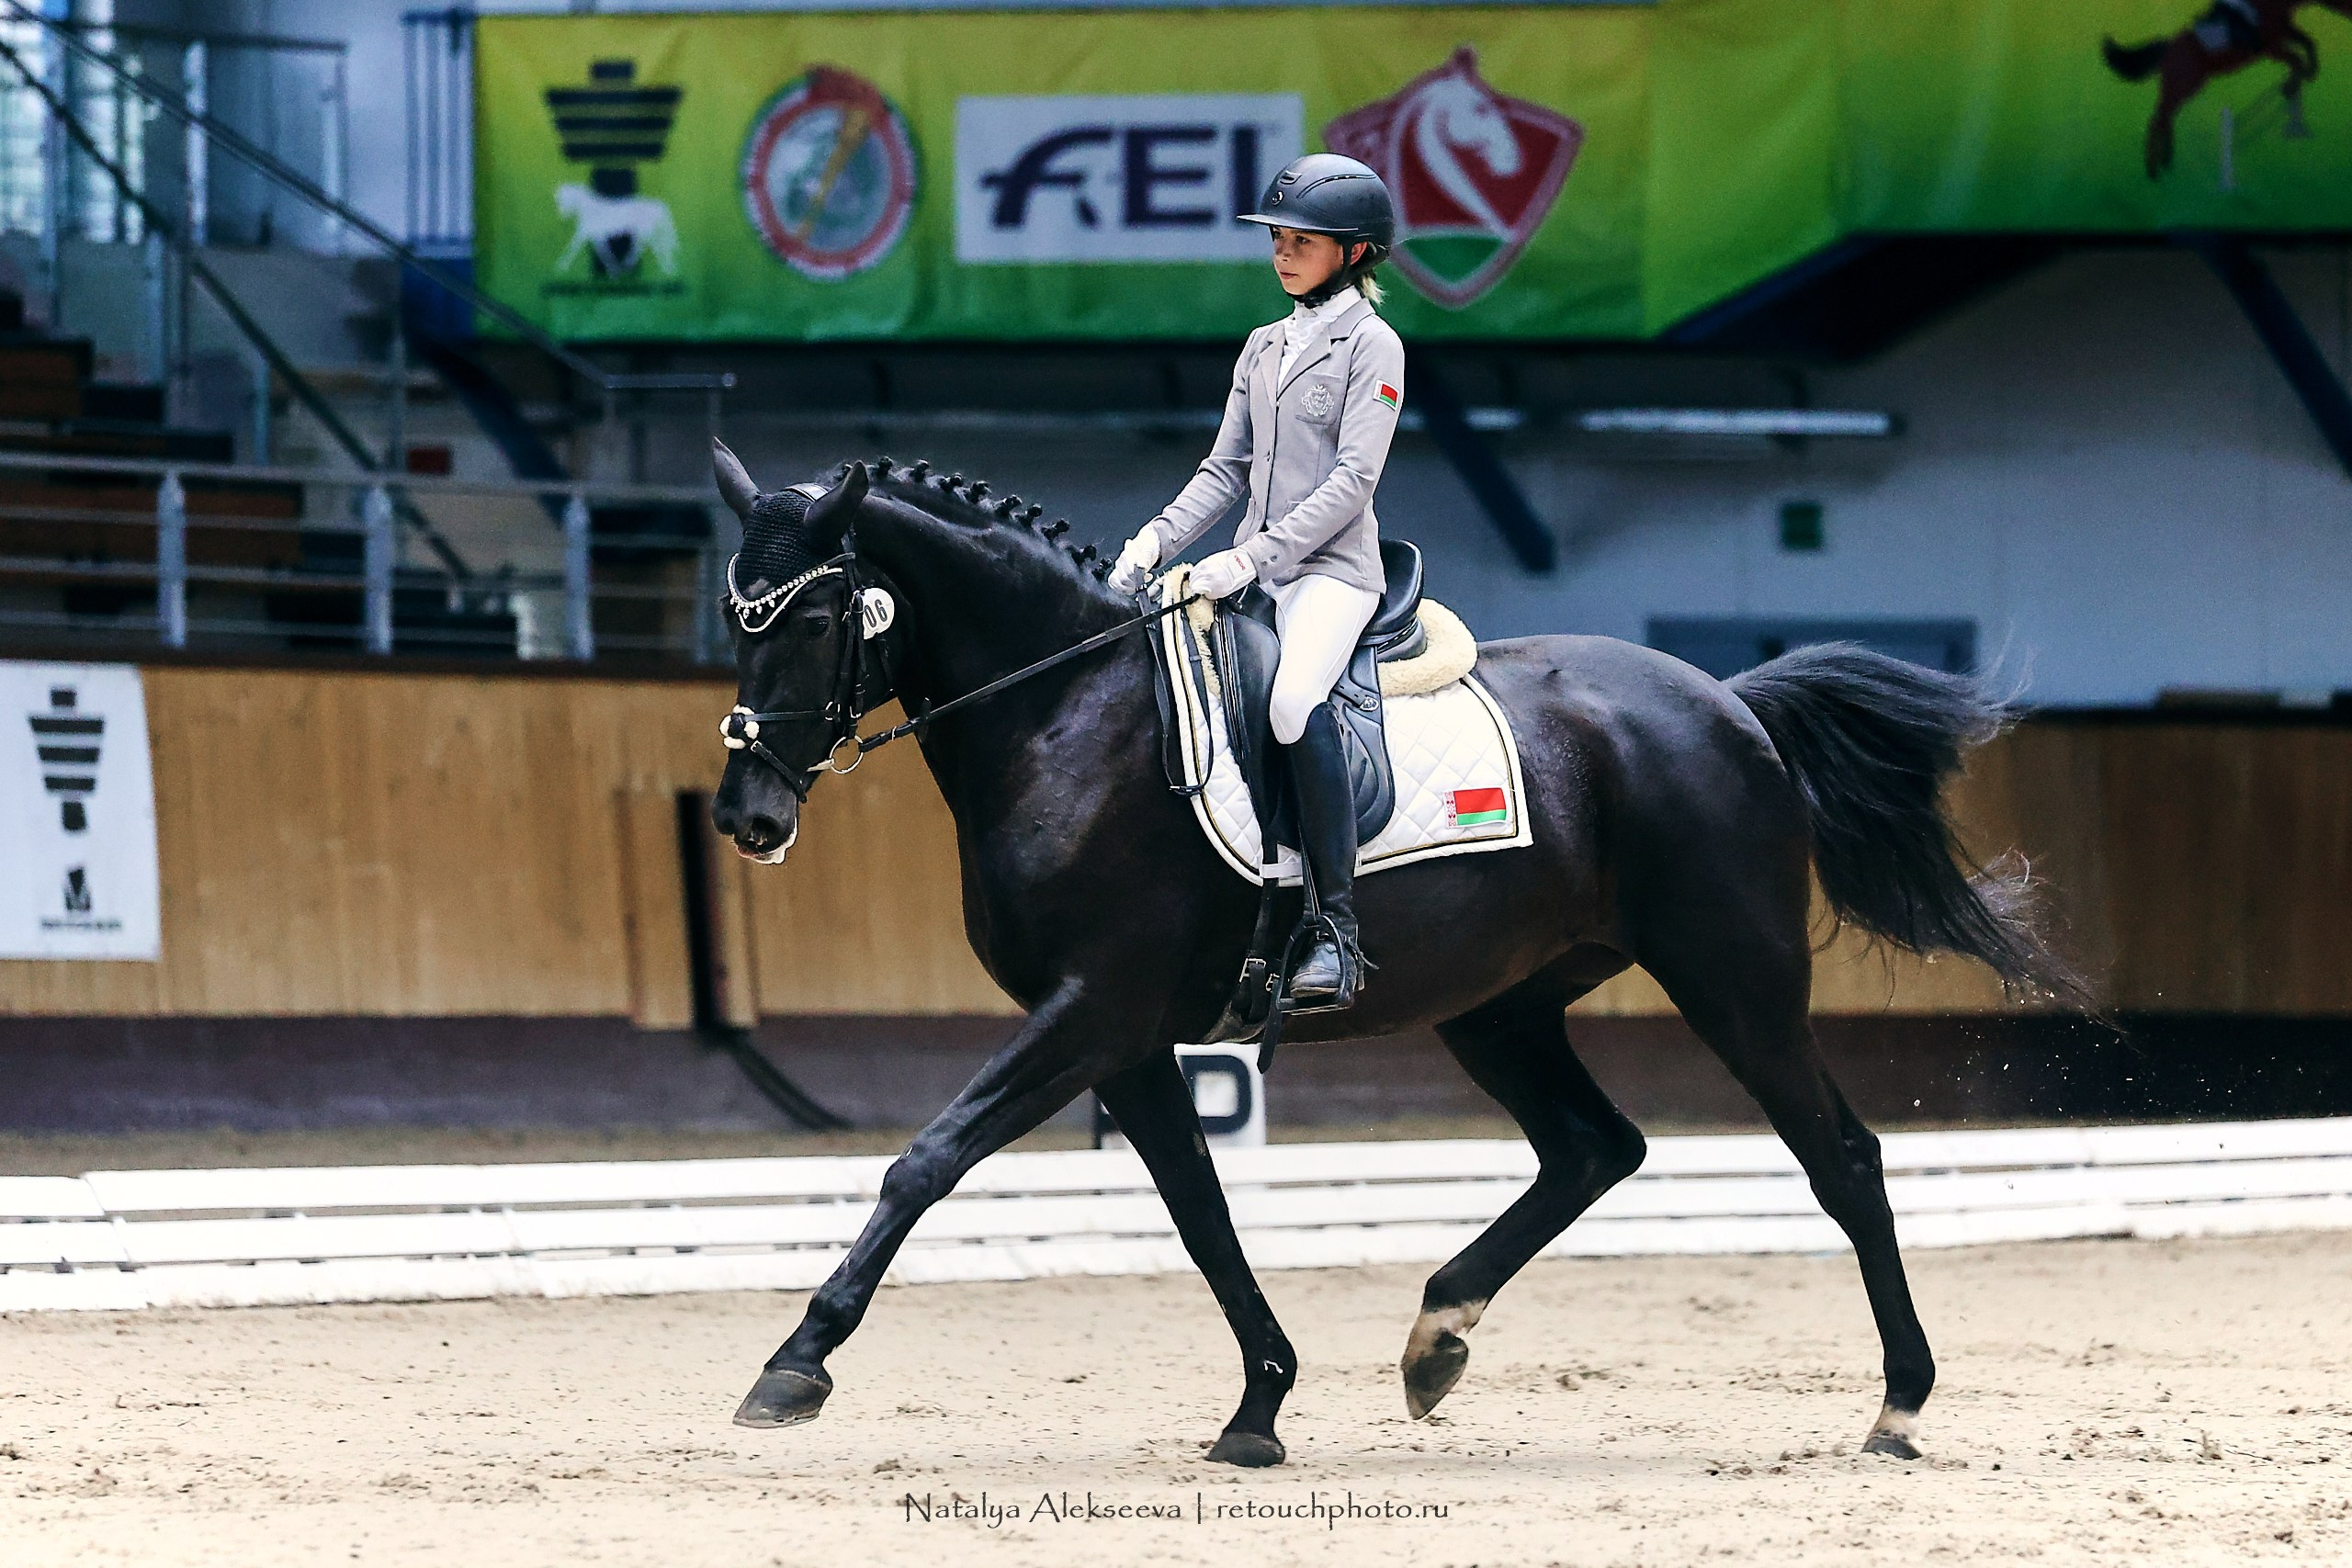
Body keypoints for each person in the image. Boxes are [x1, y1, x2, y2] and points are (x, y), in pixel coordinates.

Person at [1108, 152, 1404, 1014]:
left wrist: (1249, 558)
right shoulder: (1264, 345)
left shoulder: (1373, 346)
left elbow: (1353, 481)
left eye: (1301, 240)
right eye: (1277, 237)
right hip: (1256, 571)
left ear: (1352, 252)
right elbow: (1225, 468)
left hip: (1331, 576)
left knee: (1290, 705)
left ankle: (1337, 931)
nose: (1282, 252)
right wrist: (1155, 539)